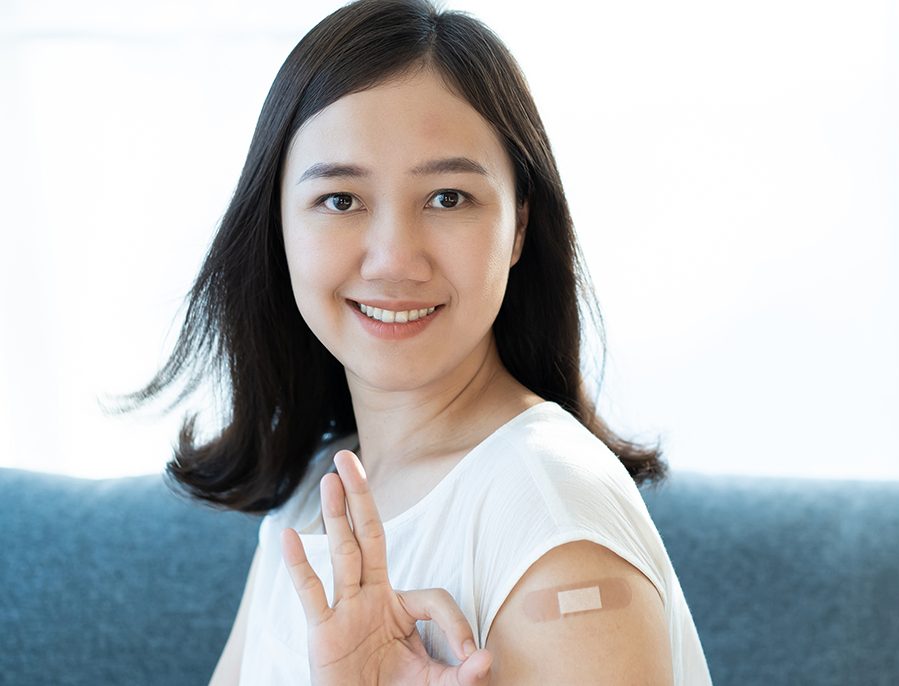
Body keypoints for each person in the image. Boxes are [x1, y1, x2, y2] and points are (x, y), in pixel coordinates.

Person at [125, 0, 712, 684]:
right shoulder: (324, 490)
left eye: (448, 198)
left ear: (519, 228)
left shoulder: (551, 515)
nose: (394, 260)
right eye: (341, 200)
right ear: (277, 226)